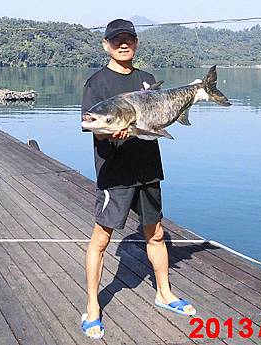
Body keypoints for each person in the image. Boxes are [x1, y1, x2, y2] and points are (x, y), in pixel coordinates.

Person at [80, 19, 196, 339]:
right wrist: (109, 133)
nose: (122, 44)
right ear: (105, 44)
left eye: (128, 38)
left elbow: (159, 119)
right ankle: (92, 307)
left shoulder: (146, 81)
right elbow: (90, 126)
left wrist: (186, 101)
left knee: (155, 233)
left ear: (136, 43)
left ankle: (164, 293)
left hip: (147, 170)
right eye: (115, 39)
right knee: (101, 240)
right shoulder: (97, 83)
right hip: (114, 174)